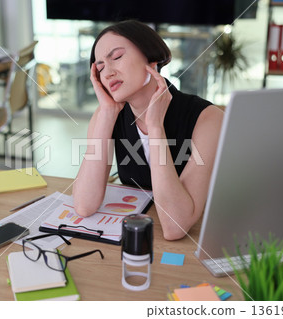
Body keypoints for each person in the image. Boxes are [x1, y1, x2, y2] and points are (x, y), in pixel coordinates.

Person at [72, 20, 223, 240]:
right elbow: (84, 206)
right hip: (139, 234)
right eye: (101, 67)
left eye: (117, 57)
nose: (108, 73)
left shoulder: (208, 120)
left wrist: (155, 127)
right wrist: (106, 113)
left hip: (200, 243)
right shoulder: (107, 115)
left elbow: (175, 228)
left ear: (151, 60)